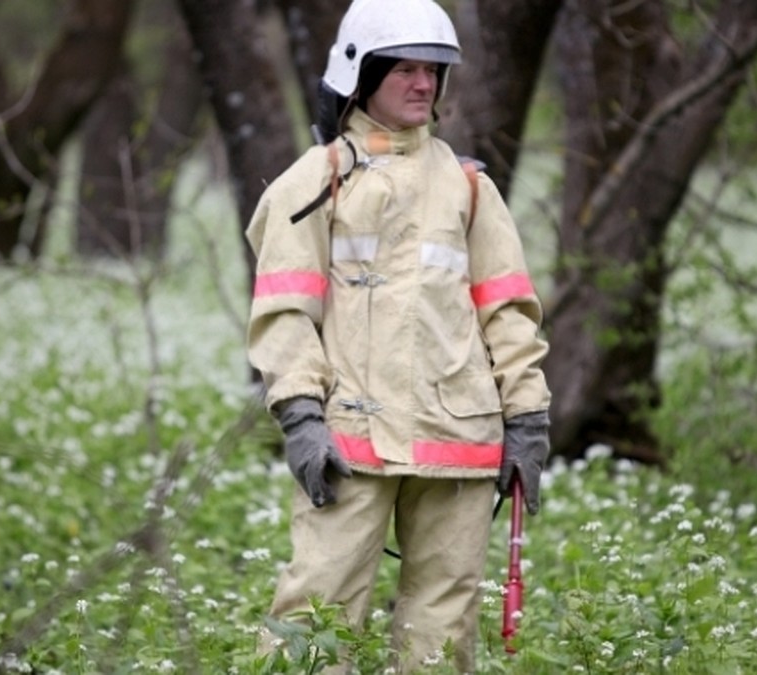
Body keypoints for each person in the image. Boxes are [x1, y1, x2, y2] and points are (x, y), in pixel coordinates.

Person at [244, 0, 551, 670]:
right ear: (361, 74)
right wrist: (300, 415)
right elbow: (283, 312)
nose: (422, 84)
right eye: (406, 69)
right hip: (349, 443)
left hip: (460, 442)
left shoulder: (470, 188)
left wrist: (526, 417)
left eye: (433, 71)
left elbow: (508, 312)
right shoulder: (313, 181)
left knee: (442, 626)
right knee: (315, 614)